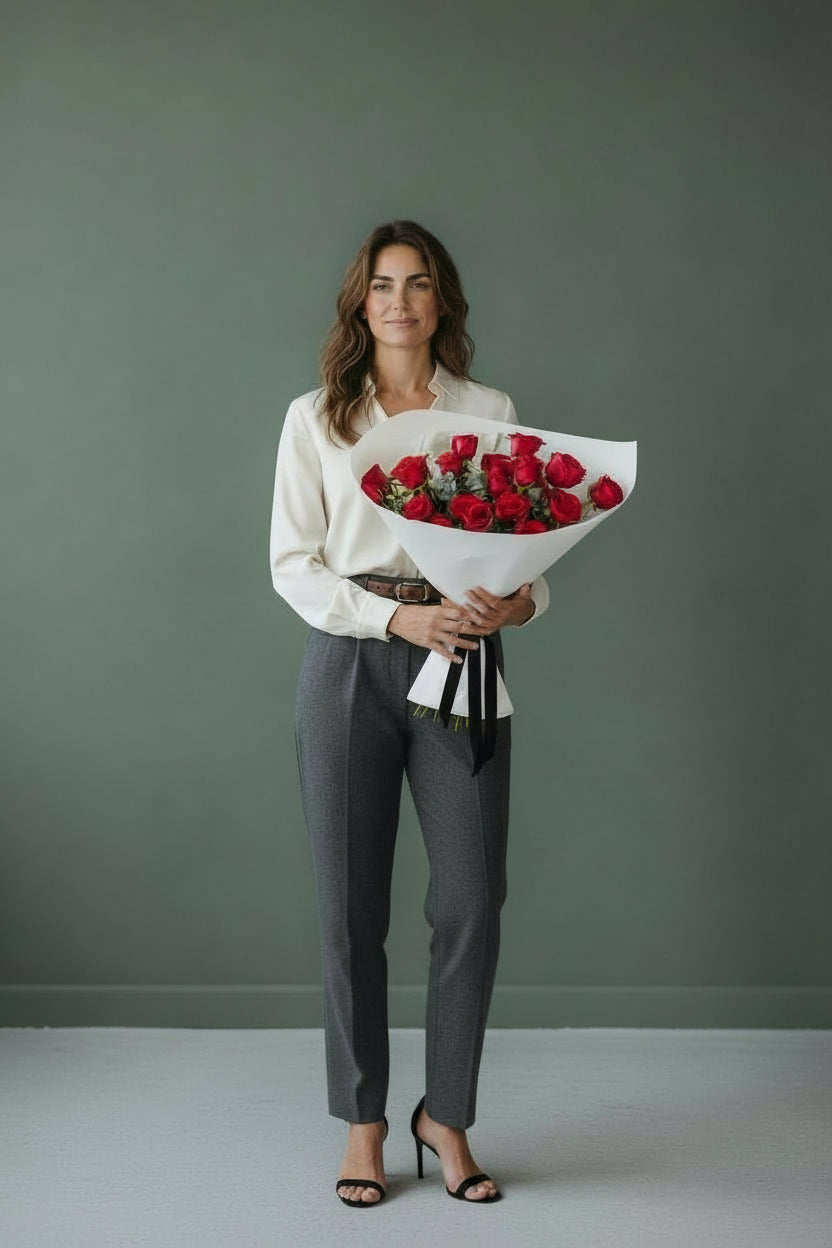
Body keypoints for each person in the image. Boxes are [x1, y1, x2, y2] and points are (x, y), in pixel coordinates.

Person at [269, 220, 549, 1206]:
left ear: (442, 301)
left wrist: (519, 603)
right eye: (383, 284)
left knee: (472, 898)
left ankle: (448, 1117)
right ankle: (365, 1121)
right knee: (350, 906)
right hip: (350, 661)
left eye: (419, 283)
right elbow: (293, 564)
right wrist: (395, 618)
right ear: (361, 301)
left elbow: (526, 548)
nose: (400, 300)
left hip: (464, 657)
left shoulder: (488, 410)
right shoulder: (317, 417)